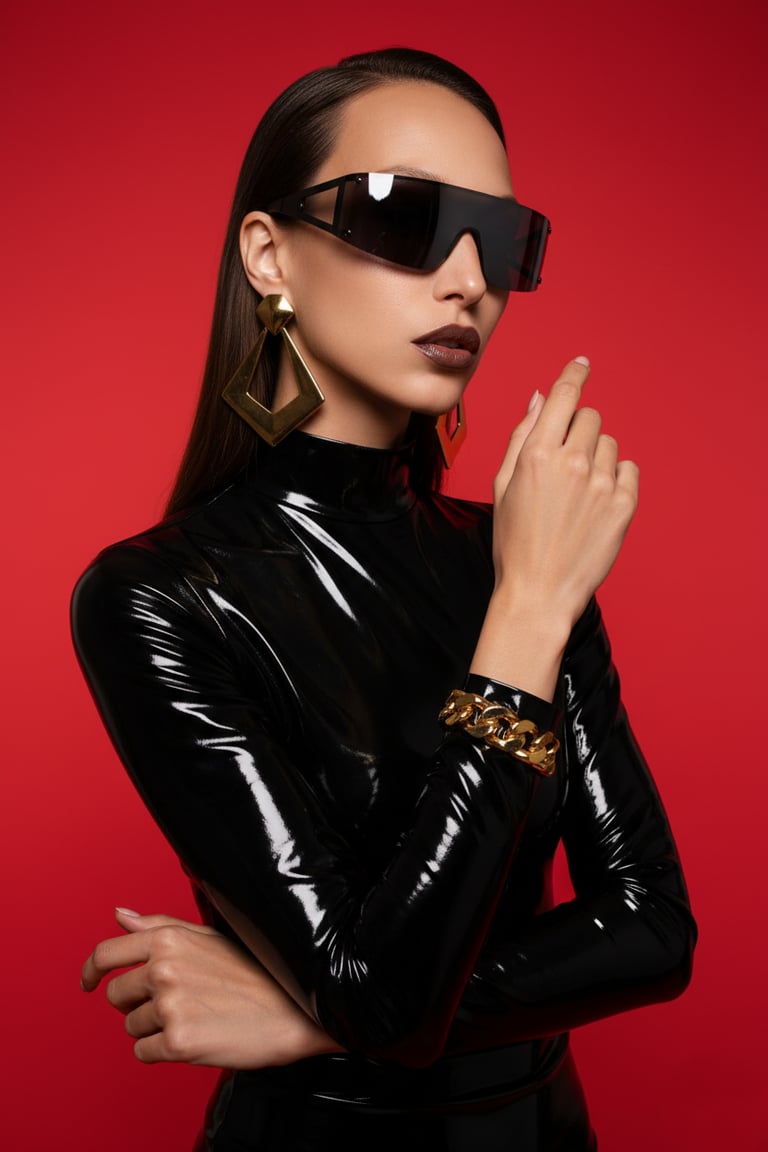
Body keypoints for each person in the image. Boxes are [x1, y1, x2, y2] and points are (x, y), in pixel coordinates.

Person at [72, 47, 696, 1152]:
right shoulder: (160, 597)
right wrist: (526, 615)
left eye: (499, 238)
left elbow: (652, 931)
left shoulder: (516, 556)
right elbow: (382, 998)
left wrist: (306, 1019)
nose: (467, 280)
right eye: (405, 217)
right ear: (269, 254)